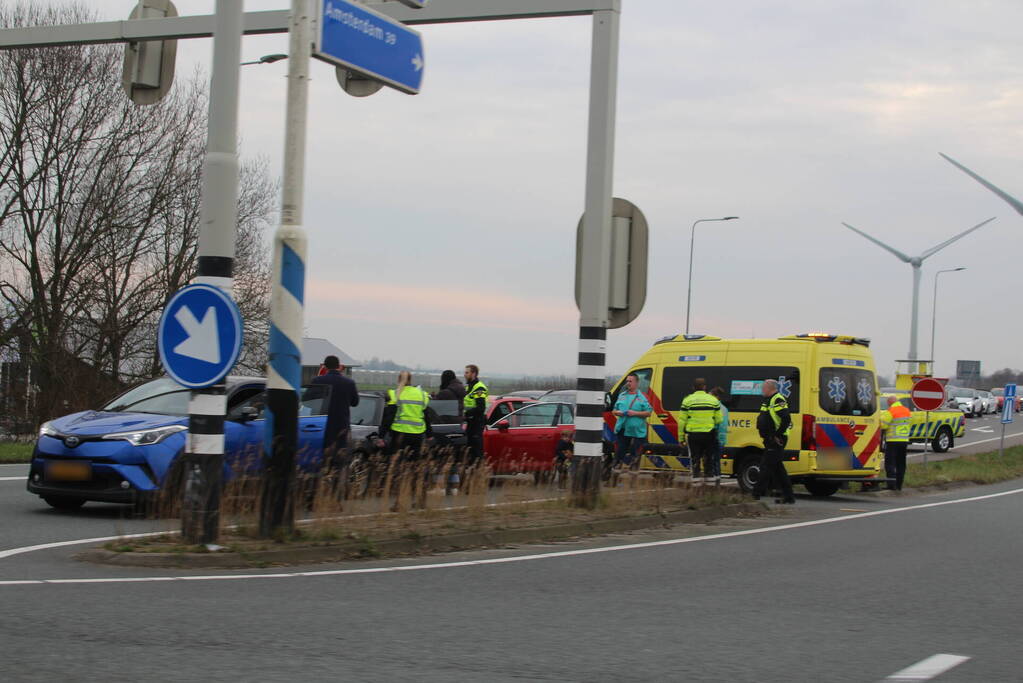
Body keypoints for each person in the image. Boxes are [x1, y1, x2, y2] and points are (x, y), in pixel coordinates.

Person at [755, 378, 795, 504]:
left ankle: (755, 493)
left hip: (776, 439)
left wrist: (777, 435)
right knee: (778, 468)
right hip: (769, 438)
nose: (762, 390)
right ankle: (789, 497)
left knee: (765, 465)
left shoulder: (778, 399)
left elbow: (786, 418)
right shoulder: (768, 400)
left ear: (770, 388)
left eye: (764, 387)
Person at [310, 355, 360, 456]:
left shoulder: (318, 381)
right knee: (340, 456)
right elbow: (355, 402)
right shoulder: (349, 383)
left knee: (323, 455)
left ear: (325, 366)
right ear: (338, 366)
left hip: (322, 424)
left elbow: (309, 401)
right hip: (342, 425)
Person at [678, 378, 723, 485]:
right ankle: (710, 486)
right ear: (704, 387)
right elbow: (719, 420)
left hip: (693, 435)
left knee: (695, 460)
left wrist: (681, 438)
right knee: (709, 461)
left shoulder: (687, 400)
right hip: (709, 435)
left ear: (693, 388)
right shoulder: (713, 400)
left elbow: (681, 421)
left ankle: (697, 486)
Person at [380, 371, 432, 458]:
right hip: (417, 434)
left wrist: (381, 436)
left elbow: (389, 418)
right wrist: (429, 435)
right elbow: (426, 416)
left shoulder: (395, 394)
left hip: (399, 433)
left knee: (396, 461)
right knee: (413, 463)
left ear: (398, 380)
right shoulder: (422, 394)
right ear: (411, 380)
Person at [612, 372, 652, 470]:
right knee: (619, 454)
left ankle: (633, 477)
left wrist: (634, 413)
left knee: (635, 455)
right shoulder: (622, 395)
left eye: (630, 381)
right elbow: (614, 410)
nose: (628, 383)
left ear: (636, 383)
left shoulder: (642, 397)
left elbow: (648, 413)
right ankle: (614, 475)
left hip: (637, 432)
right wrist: (618, 412)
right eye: (627, 381)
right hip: (622, 429)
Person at [880, 395, 911, 491]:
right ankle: (899, 485)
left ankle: (891, 484)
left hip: (893, 440)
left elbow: (883, 425)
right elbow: (910, 423)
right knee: (901, 463)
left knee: (890, 463)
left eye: (888, 403)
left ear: (890, 402)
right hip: (904, 441)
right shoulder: (907, 410)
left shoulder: (891, 411)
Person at [463, 364, 489, 465]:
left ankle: (478, 473)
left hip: (477, 423)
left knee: (477, 451)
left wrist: (466, 413)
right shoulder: (469, 387)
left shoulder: (479, 388)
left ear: (473, 374)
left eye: (467, 372)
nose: (464, 375)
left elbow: (480, 408)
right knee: (470, 451)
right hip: (470, 422)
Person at [709, 387, 729, 485]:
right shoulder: (724, 408)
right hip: (721, 439)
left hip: (714, 438)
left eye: (710, 394)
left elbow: (716, 424)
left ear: (716, 396)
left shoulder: (714, 408)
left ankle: (714, 482)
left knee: (712, 461)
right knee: (716, 461)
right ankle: (717, 481)